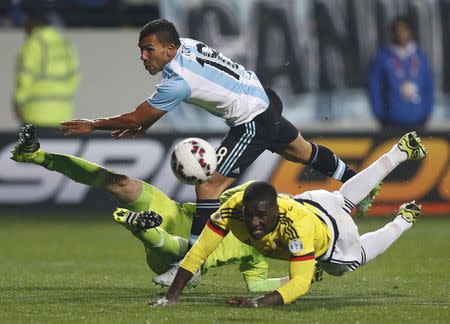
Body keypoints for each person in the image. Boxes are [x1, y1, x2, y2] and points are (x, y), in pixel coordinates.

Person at [59, 18, 377, 259]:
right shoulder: (187, 45)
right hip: (264, 97)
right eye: (141, 50)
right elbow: (153, 112)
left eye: (149, 50)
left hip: (251, 117)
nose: (143, 56)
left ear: (169, 50)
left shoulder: (177, 80)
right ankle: (360, 182)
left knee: (208, 185)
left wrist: (93, 123)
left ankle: (190, 263)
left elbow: (138, 116)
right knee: (300, 151)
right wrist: (146, 122)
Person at [10, 124, 324, 292]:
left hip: (172, 259)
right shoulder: (253, 200)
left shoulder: (254, 251)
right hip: (178, 213)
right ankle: (35, 155)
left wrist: (299, 278)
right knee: (120, 183)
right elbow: (216, 187)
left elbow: (257, 284)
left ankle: (143, 228)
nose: (260, 224)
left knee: (182, 250)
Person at [149, 131, 427, 307]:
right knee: (342, 198)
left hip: (333, 235)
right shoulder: (234, 208)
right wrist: (171, 297)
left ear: (276, 212)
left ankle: (404, 218)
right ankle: (398, 152)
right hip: (315, 201)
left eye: (261, 216)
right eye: (250, 215)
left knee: (350, 262)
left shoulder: (296, 230)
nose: (254, 222)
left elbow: (299, 285)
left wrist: (257, 303)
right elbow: (199, 251)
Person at [12, 9, 80, 127]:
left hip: (35, 113)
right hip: (63, 114)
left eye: (26, 24)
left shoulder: (34, 42)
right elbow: (75, 78)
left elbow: (25, 77)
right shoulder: (65, 43)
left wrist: (17, 102)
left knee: (33, 146)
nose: (25, 29)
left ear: (34, 22)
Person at [368, 16, 434, 132]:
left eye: (404, 30)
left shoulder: (420, 56)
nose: (401, 34)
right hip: (391, 121)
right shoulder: (383, 57)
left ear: (410, 32)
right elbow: (375, 87)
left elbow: (429, 86)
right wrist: (380, 114)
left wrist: (427, 112)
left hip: (418, 120)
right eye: (397, 31)